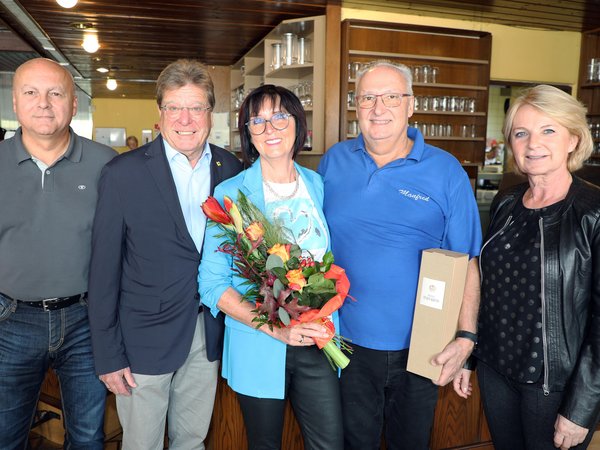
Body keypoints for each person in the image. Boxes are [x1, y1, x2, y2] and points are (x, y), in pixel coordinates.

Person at [317, 60, 482, 450]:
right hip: (344, 342)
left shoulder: (446, 172)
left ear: (411, 105)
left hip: (423, 346)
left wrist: (466, 338)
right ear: (355, 106)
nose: (379, 108)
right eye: (368, 98)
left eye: (392, 97)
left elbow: (469, 264)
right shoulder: (333, 161)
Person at [88, 59, 242, 450]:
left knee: (192, 440)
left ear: (210, 112)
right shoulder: (123, 173)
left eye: (196, 108)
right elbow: (103, 271)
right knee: (142, 443)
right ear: (160, 113)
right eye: (175, 107)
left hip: (207, 333)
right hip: (142, 339)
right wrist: (108, 354)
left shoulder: (231, 169)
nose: (186, 119)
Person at [198, 84, 343, 450]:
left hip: (317, 340)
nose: (269, 128)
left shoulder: (318, 186)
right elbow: (212, 283)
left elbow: (329, 265)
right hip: (259, 342)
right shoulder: (230, 195)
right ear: (247, 133)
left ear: (298, 124)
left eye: (280, 117)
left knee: (329, 443)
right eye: (257, 121)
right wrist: (276, 330)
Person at [460, 85, 600, 450]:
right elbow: (491, 287)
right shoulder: (507, 201)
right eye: (521, 133)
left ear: (573, 138)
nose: (533, 143)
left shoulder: (593, 212)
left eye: (548, 130)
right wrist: (469, 353)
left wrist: (582, 407)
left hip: (553, 383)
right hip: (497, 370)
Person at [0, 58, 116, 449]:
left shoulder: (107, 165)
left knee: (87, 437)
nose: (44, 103)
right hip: (10, 321)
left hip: (87, 321)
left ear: (74, 103)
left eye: (56, 93)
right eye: (31, 93)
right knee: (5, 435)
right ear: (15, 102)